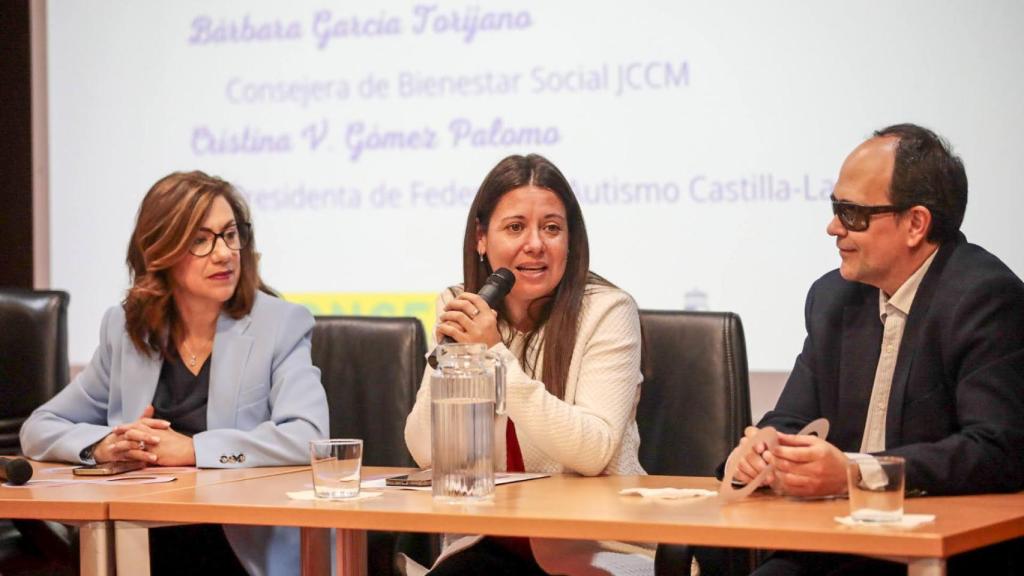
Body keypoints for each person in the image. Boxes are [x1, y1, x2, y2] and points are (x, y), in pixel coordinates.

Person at [727, 124, 1024, 575]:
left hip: (936, 547)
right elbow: (791, 420)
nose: (833, 227)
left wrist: (856, 471)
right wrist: (766, 449)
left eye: (852, 213)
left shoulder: (983, 297)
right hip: (836, 537)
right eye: (835, 208)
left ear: (915, 224)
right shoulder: (832, 298)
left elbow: (996, 449)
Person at [20, 170, 329, 576]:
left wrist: (193, 450)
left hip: (239, 546)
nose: (224, 253)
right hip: (139, 539)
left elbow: (308, 435)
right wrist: (103, 446)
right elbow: (39, 427)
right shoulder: (127, 327)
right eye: (201, 240)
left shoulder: (280, 323)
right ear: (160, 251)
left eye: (230, 234)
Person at [403, 154, 650, 575]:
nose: (535, 243)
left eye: (551, 228)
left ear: (570, 241)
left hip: (596, 546)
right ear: (481, 238)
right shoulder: (462, 304)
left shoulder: (607, 311)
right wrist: (456, 357)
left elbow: (592, 451)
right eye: (515, 227)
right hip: (484, 542)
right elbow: (426, 450)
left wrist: (495, 355)